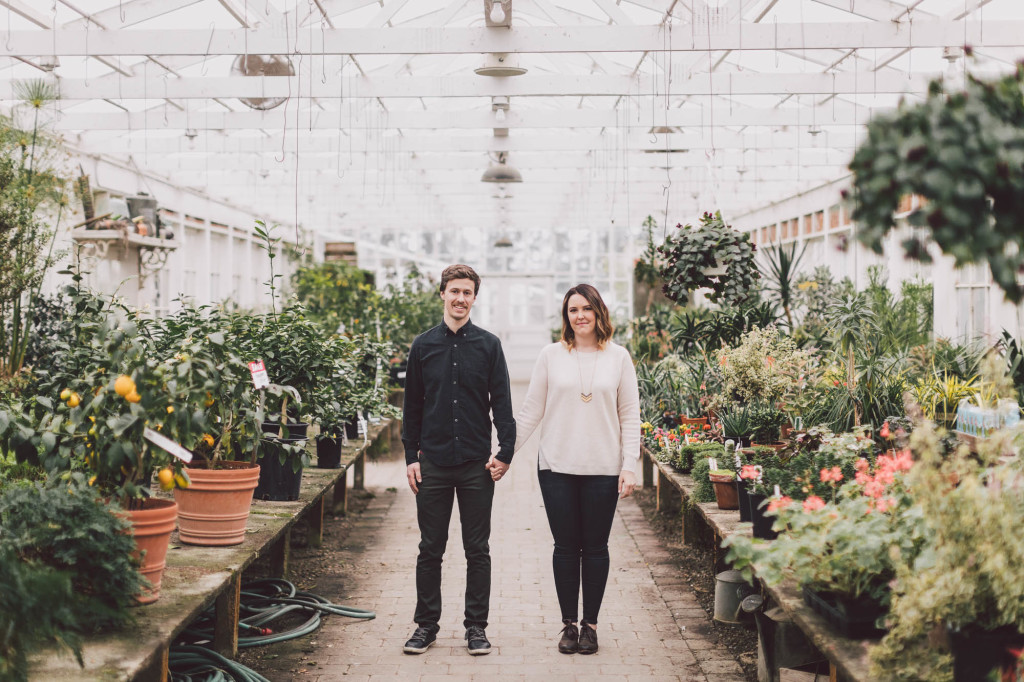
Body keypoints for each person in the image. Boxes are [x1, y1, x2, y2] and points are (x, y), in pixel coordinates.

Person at [510, 283, 640, 655]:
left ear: (599, 312)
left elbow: (630, 416)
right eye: (572, 310)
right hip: (556, 466)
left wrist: (628, 466)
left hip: (603, 467)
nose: (580, 315)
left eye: (586, 308)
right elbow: (531, 411)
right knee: (566, 547)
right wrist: (504, 454)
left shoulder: (619, 358)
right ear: (566, 317)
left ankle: (591, 626)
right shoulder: (551, 355)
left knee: (595, 548)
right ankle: (568, 625)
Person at [400, 264, 516, 656]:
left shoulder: (488, 345)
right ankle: (425, 627)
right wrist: (409, 456)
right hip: (431, 461)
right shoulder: (423, 346)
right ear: (443, 294)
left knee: (476, 549)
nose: (460, 298)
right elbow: (411, 406)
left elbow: (502, 403)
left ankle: (476, 628)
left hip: (474, 465)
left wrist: (505, 453)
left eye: (467, 292)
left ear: (474, 298)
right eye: (454, 291)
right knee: (430, 547)